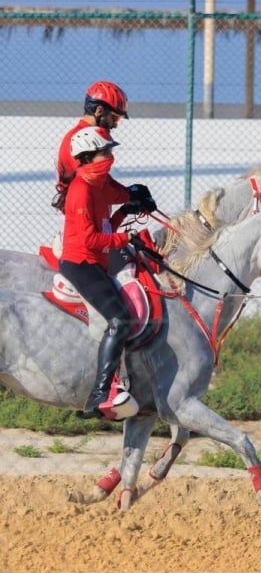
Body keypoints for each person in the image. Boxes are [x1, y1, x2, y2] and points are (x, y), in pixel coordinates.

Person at [58, 126, 155, 420]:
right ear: (89, 156)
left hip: (95, 262)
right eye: (106, 151)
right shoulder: (81, 190)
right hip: (80, 263)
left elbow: (106, 227)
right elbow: (90, 240)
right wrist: (127, 239)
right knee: (120, 318)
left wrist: (127, 208)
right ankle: (101, 393)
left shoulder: (100, 185)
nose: (110, 156)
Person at [52, 80, 129, 212]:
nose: (115, 125)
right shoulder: (81, 140)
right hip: (81, 216)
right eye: (115, 118)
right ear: (99, 111)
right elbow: (95, 185)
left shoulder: (90, 138)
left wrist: (128, 191)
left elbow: (103, 180)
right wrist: (129, 196)